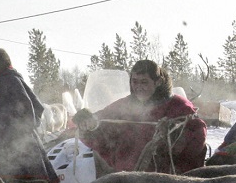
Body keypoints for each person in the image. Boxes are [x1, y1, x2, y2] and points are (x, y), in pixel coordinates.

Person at [73, 60, 208, 175]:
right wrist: (86, 124)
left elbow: (198, 134)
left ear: (158, 82)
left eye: (144, 82)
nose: (138, 87)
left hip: (168, 181)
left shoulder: (178, 106)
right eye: (135, 81)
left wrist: (174, 140)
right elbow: (100, 126)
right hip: (128, 179)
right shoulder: (124, 106)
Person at [0, 48, 57, 183]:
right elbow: (37, 107)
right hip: (22, 153)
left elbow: (29, 112)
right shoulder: (11, 79)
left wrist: (12, 136)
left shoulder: (7, 81)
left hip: (18, 157)